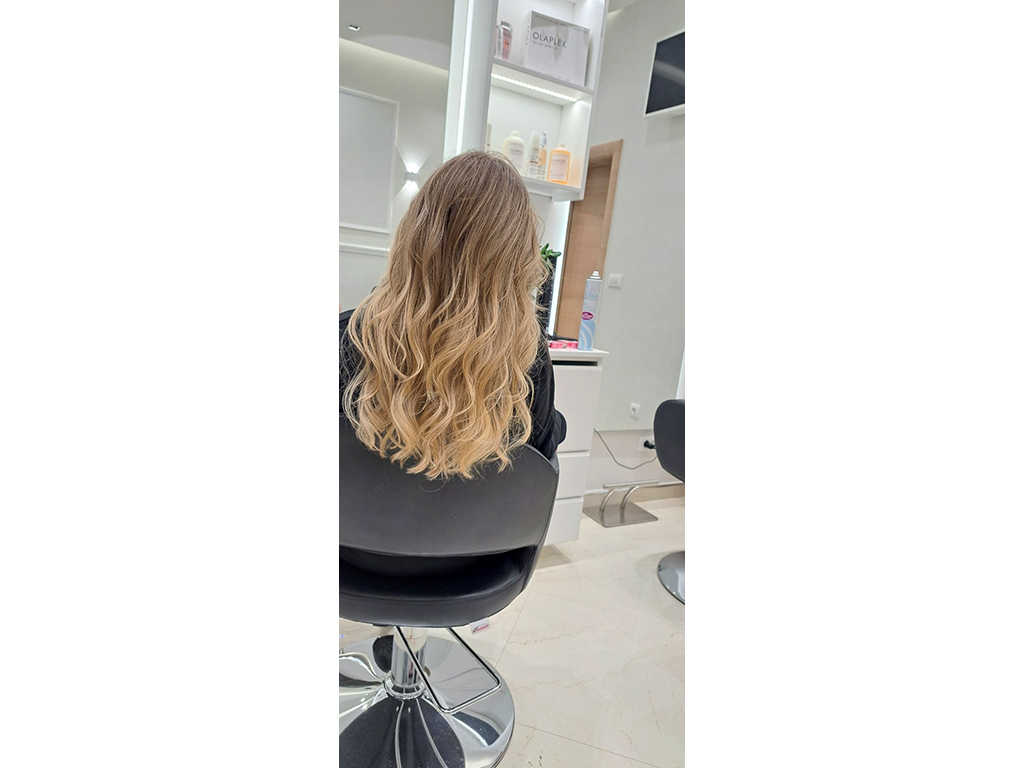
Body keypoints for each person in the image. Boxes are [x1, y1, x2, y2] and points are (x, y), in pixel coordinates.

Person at [340, 151, 566, 481]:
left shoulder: (350, 337)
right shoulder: (527, 355)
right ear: (517, 256)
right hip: (480, 517)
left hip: (361, 514)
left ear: (414, 234)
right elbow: (542, 451)